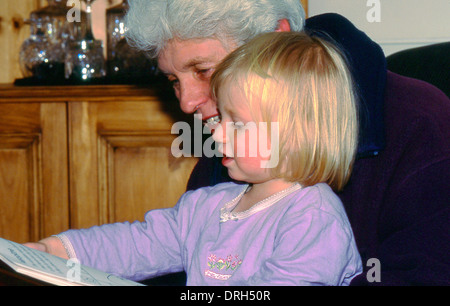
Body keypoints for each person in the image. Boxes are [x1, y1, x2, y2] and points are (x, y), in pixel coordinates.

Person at [126, 0, 450, 285]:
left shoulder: (420, 124)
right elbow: (180, 260)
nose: (186, 102)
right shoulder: (229, 145)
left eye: (202, 70)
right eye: (173, 80)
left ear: (274, 39)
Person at [27, 31, 363, 285]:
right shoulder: (205, 206)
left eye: (239, 124)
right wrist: (55, 251)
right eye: (222, 118)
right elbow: (136, 244)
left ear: (297, 134)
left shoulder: (313, 218)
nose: (216, 134)